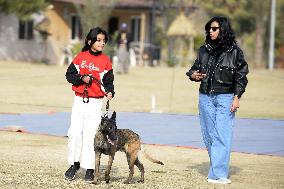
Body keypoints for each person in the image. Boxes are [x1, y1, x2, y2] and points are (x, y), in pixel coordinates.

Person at [186, 16, 249, 184]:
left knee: (222, 134)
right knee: (209, 136)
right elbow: (193, 69)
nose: (210, 31)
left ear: (223, 30)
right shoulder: (203, 49)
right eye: (209, 29)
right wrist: (194, 75)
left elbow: (241, 76)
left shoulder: (235, 52)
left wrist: (237, 97)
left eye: (214, 29)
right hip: (205, 96)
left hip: (226, 97)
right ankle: (217, 169)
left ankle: (218, 174)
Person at [64, 27, 114, 183]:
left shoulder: (106, 61)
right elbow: (69, 75)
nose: (102, 43)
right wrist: (81, 78)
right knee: (74, 133)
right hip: (79, 101)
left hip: (95, 103)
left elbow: (109, 82)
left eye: (104, 41)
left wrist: (110, 92)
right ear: (90, 41)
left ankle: (90, 168)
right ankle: (74, 164)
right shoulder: (81, 57)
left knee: (91, 135)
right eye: (99, 40)